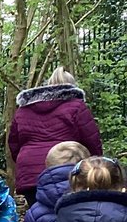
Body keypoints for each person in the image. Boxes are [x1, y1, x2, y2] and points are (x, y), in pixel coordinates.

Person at [7, 67, 102, 206]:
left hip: (30, 172)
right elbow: (92, 140)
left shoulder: (23, 109)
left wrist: (26, 163)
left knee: (38, 213)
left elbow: (14, 144)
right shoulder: (77, 106)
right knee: (70, 214)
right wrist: (95, 165)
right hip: (68, 168)